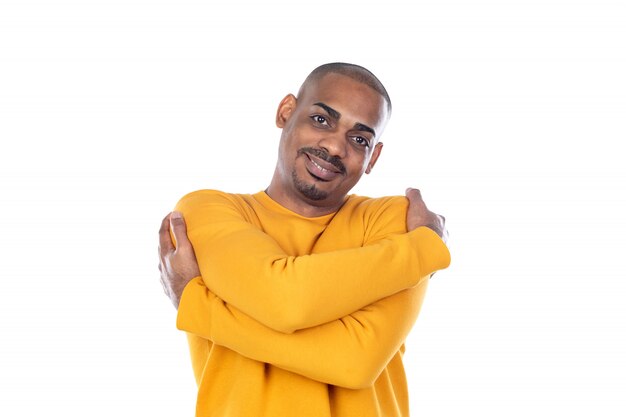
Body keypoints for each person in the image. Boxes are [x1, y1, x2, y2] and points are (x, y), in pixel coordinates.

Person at [158, 62, 451, 417]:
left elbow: (354, 362)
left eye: (359, 139)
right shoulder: (206, 210)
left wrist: (201, 310)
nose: (334, 146)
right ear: (286, 111)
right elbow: (286, 298)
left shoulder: (392, 219)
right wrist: (423, 250)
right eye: (321, 120)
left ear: (373, 157)